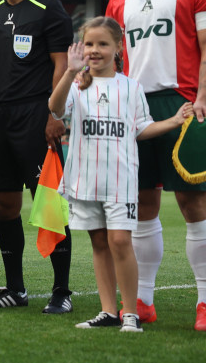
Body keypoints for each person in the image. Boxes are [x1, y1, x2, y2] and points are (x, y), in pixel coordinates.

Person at [49, 17, 192, 333]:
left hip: (121, 181)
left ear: (117, 48)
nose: (94, 50)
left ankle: (130, 313)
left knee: (120, 241)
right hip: (85, 180)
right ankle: (108, 311)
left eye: (102, 44)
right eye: (89, 43)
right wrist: (70, 72)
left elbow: (141, 128)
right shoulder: (76, 84)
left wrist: (173, 121)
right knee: (99, 242)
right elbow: (55, 108)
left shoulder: (131, 87)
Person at [105, 0, 206, 330]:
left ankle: (205, 300)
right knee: (142, 204)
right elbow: (111, 61)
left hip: (183, 103)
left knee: (193, 202)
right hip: (134, 107)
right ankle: (143, 300)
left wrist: (202, 98)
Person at [0, 0, 75, 313]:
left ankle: (62, 291)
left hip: (37, 116)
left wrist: (55, 115)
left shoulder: (48, 8)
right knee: (4, 204)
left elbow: (61, 66)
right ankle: (16, 288)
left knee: (49, 205)